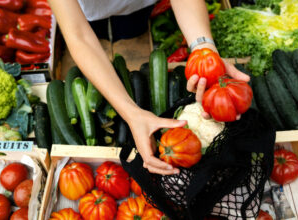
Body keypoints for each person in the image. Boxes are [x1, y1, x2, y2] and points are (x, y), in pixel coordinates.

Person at [48, 0, 250, 175]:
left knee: (132, 26)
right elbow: (79, 36)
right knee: (98, 26)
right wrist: (131, 113)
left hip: (141, 6)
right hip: (89, 10)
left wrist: (204, 50)